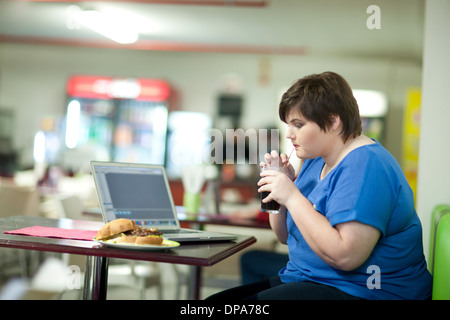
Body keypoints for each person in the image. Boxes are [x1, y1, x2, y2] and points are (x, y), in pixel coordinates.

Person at [207, 71, 432, 300]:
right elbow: (283, 235)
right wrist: (277, 190)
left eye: (298, 125)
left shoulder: (365, 164)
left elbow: (346, 257)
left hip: (365, 291)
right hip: (314, 278)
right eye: (289, 125)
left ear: (333, 121)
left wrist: (292, 196)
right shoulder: (315, 158)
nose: (289, 135)